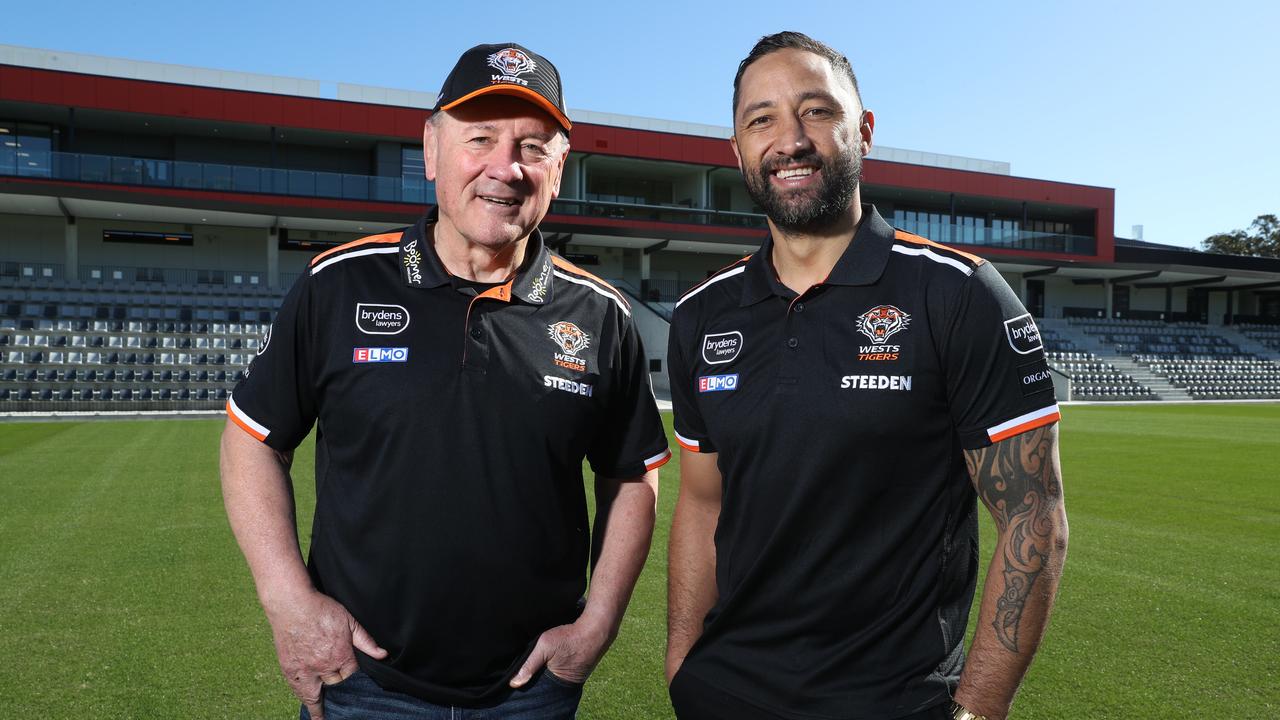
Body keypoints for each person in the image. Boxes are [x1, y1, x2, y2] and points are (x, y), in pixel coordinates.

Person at [220, 42, 670, 720]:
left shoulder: (601, 315)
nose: (505, 168)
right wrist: (289, 602)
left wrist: (597, 624)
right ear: (431, 149)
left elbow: (632, 475)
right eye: (479, 139)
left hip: (531, 691)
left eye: (532, 146)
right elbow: (252, 439)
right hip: (362, 684)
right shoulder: (337, 284)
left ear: (559, 169)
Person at [665, 32, 1068, 720]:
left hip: (892, 704)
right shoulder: (702, 314)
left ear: (865, 130)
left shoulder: (959, 293)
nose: (790, 139)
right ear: (736, 150)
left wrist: (977, 710)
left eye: (816, 111)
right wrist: (682, 662)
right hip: (724, 694)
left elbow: (1034, 516)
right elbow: (703, 502)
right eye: (761, 119)